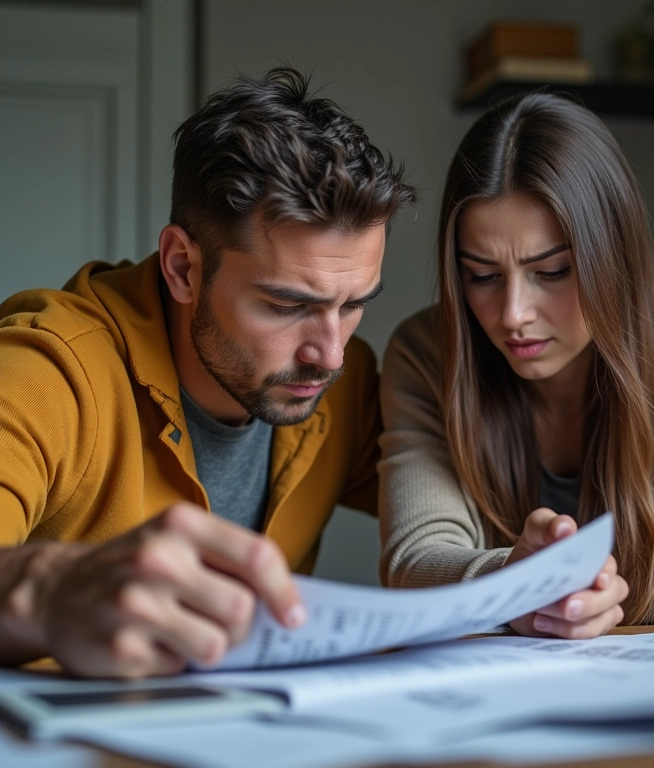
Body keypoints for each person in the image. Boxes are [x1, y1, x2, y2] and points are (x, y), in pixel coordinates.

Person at [0, 67, 416, 677]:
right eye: (286, 305)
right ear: (182, 267)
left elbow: (468, 492)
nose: (329, 354)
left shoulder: (342, 389)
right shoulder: (49, 372)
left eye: (353, 305)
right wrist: (47, 590)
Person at [379, 92, 654, 638]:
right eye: (482, 276)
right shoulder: (425, 353)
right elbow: (413, 566)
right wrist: (518, 579)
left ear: (612, 253)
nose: (512, 315)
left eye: (554, 270)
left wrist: (537, 589)